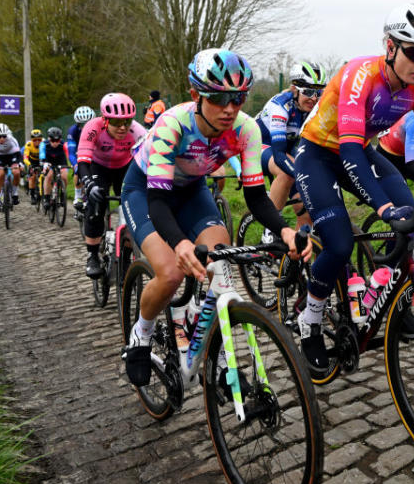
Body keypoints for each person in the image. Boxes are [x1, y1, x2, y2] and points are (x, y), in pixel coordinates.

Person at [293, 3, 414, 369]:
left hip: (359, 149)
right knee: (341, 244)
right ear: (390, 47)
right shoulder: (360, 75)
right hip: (319, 152)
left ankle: (384, 292)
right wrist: (383, 209)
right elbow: (347, 150)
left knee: (413, 224)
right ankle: (309, 320)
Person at [121, 48, 308, 386]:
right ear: (196, 95)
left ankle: (214, 343)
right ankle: (141, 334)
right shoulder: (173, 124)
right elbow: (159, 201)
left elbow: (255, 196)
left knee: (219, 264)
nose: (230, 108)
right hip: (146, 191)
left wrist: (285, 232)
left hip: (192, 190)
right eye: (219, 98)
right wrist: (178, 243)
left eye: (238, 98)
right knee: (170, 273)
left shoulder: (246, 129)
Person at [77, 93, 145, 279]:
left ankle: (126, 252)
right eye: (116, 122)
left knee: (134, 205)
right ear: (105, 120)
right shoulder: (93, 127)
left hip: (125, 167)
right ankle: (92, 256)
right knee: (96, 205)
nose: (123, 127)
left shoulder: (138, 131)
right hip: (99, 167)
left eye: (127, 121)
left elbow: (151, 160)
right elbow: (83, 161)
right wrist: (89, 185)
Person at [255, 61, 328, 231]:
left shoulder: (313, 108)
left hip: (285, 151)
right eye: (308, 92)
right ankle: (270, 229)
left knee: (306, 214)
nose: (314, 98)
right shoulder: (280, 106)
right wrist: (303, 175)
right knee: (287, 174)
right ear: (294, 90)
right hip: (259, 147)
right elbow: (280, 156)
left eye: (318, 92)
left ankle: (298, 251)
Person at [0, 123, 24, 211]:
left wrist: (20, 163)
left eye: (4, 136)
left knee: (16, 172)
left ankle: (14, 193)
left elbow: (18, 155)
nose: (2, 138)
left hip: (11, 155)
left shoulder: (12, 140)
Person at [67, 106, 96, 210]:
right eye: (82, 124)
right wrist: (75, 165)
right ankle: (78, 196)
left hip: (94, 153)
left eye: (88, 123)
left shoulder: (99, 127)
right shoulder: (73, 131)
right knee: (78, 169)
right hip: (79, 153)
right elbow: (71, 152)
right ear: (78, 124)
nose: (85, 127)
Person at [39, 126, 70, 210]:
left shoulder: (63, 144)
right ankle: (47, 198)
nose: (55, 143)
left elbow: (69, 154)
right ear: (49, 139)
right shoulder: (44, 144)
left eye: (57, 140)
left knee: (64, 176)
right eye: (53, 140)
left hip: (61, 161)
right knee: (49, 176)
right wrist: (43, 162)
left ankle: (62, 194)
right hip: (48, 161)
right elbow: (42, 154)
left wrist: (73, 163)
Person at [23, 129, 44, 205]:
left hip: (42, 160)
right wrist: (29, 165)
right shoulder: (28, 145)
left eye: (39, 139)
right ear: (32, 140)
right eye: (35, 140)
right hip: (32, 161)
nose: (37, 141)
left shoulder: (44, 143)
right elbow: (25, 157)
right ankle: (32, 196)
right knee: (32, 177)